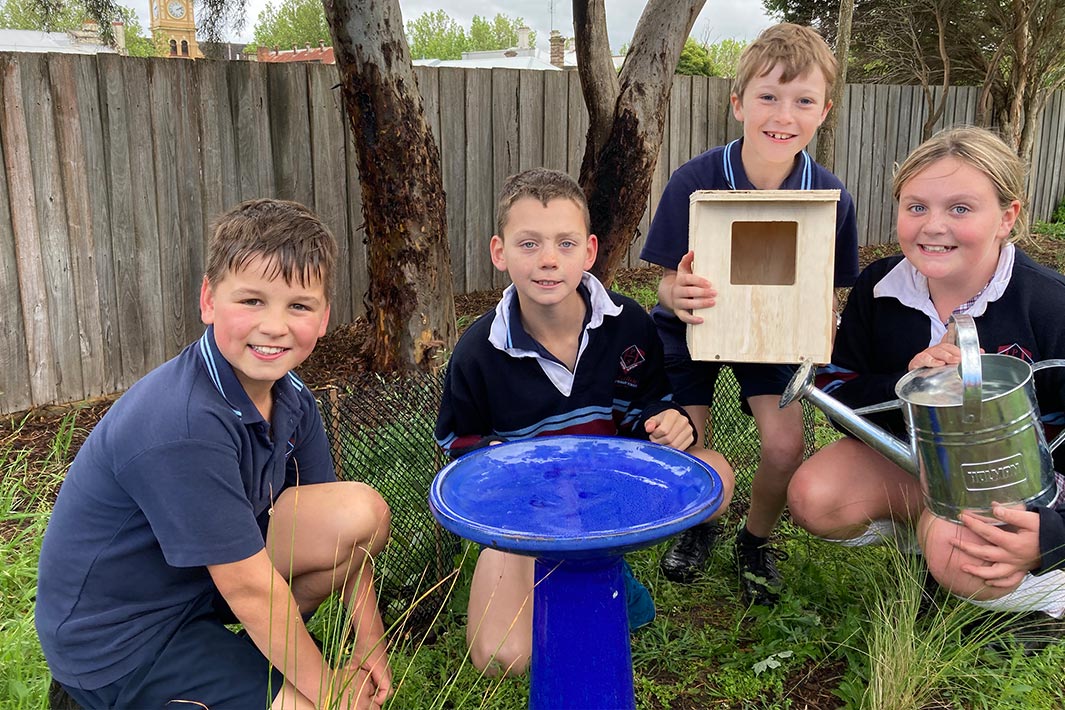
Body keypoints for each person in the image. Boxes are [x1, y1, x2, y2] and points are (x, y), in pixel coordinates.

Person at [36, 199, 394, 709]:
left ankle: (248, 662)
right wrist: (331, 693)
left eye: (298, 305)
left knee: (359, 512)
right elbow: (249, 588)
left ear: (324, 316)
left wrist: (370, 641)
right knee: (311, 705)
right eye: (251, 301)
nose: (274, 325)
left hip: (196, 592)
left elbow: (343, 537)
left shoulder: (292, 398)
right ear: (207, 300)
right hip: (122, 638)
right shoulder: (182, 423)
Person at [434, 167, 734, 676]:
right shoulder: (477, 351)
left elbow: (648, 404)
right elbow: (459, 448)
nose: (549, 259)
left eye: (565, 243)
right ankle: (558, 572)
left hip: (608, 500)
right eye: (529, 244)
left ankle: (605, 564)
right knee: (502, 659)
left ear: (590, 251)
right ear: (499, 252)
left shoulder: (630, 323)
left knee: (718, 479)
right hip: (526, 517)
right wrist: (520, 489)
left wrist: (669, 423)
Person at [787, 126, 1065, 623]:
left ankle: (1047, 594)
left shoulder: (1049, 303)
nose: (933, 226)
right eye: (916, 207)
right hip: (927, 468)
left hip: (1024, 483)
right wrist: (904, 383)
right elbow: (838, 387)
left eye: (960, 208)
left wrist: (1053, 533)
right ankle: (932, 547)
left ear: (1007, 217)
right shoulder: (879, 286)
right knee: (816, 496)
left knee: (960, 554)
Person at [639, 23, 860, 603]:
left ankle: (754, 540)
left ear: (824, 111)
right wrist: (675, 294)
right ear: (738, 104)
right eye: (768, 96)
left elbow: (826, 290)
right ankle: (700, 525)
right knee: (688, 443)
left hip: (776, 334)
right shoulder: (694, 181)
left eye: (803, 100)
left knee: (787, 446)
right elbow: (664, 281)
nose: (783, 114)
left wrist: (826, 321)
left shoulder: (829, 197)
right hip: (694, 328)